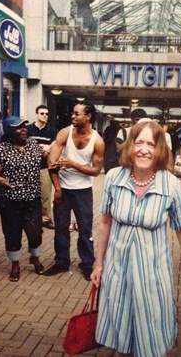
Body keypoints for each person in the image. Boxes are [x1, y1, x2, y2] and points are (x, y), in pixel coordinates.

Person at [91, 120, 181, 357]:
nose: (144, 149)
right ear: (129, 145)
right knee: (120, 335)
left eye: (151, 144)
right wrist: (99, 263)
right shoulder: (113, 178)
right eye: (139, 142)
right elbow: (106, 222)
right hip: (117, 271)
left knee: (150, 338)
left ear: (160, 149)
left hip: (153, 276)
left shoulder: (171, 185)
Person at [44, 100, 105, 280]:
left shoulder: (97, 141)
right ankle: (61, 262)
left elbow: (95, 172)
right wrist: (57, 189)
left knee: (85, 229)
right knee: (61, 228)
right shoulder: (65, 133)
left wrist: (73, 164)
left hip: (83, 190)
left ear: (88, 116)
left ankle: (86, 264)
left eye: (77, 113)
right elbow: (51, 163)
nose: (73, 116)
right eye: (73, 112)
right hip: (63, 187)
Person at [0, 116, 45, 282]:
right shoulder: (2, 149)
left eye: (24, 126)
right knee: (12, 233)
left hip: (32, 198)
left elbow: (49, 157)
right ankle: (15, 264)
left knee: (35, 233)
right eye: (19, 128)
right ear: (9, 131)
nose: (24, 129)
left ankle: (34, 258)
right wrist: (2, 181)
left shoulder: (34, 146)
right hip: (10, 200)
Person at [27, 105, 56, 230]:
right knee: (30, 194)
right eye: (42, 113)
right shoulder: (28, 129)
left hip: (44, 167)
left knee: (45, 195)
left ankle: (46, 219)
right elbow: (26, 146)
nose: (45, 116)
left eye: (47, 114)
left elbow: (54, 148)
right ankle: (29, 218)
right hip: (29, 167)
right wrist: (43, 147)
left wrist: (48, 148)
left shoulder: (51, 131)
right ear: (36, 114)